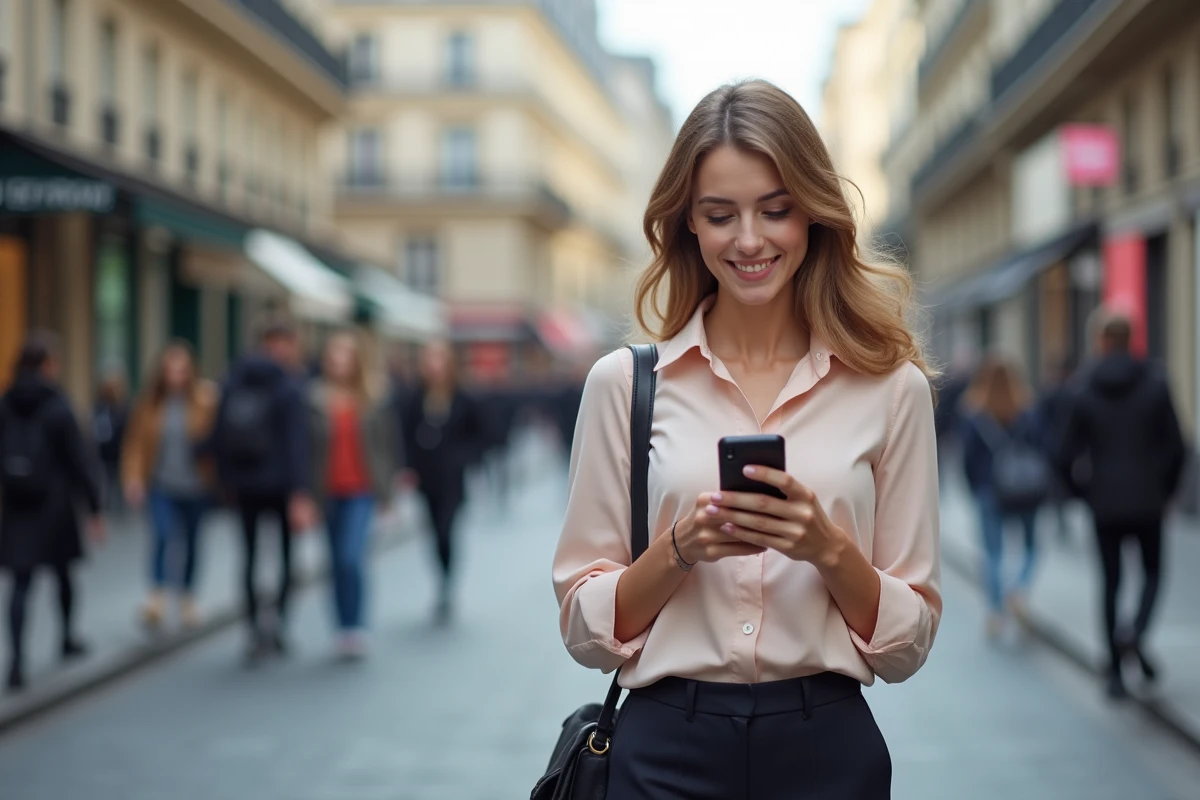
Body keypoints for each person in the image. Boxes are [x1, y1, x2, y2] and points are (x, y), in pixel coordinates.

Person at [552, 80, 940, 798]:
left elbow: (908, 640)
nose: (750, 239)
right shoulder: (623, 385)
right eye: (720, 214)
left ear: (814, 216)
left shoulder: (892, 389)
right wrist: (679, 549)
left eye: (776, 209)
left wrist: (825, 547)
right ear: (688, 224)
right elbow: (584, 625)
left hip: (827, 745)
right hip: (664, 744)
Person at [1056, 311, 1186, 699]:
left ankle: (1115, 672)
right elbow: (1178, 447)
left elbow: (1062, 455)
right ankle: (1135, 633)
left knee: (1111, 583)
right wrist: (1167, 491)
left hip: (1105, 503)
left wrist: (1083, 493)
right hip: (1148, 500)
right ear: (1131, 339)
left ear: (1100, 341)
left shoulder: (1084, 388)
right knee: (1152, 573)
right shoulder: (1156, 384)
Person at [0, 334, 105, 692]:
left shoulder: (6, 402)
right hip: (55, 506)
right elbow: (79, 460)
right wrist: (95, 507)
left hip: (17, 506)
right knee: (63, 575)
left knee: (20, 584)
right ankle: (66, 638)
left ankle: (16, 661)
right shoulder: (58, 405)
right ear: (47, 365)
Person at [210, 321, 313, 665]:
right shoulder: (289, 385)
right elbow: (297, 442)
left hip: (245, 484)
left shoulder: (234, 379)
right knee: (284, 558)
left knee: (249, 556)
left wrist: (225, 481)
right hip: (281, 485)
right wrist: (301, 490)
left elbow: (219, 436)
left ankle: (254, 628)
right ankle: (279, 625)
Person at [305, 332, 396, 659]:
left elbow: (387, 446)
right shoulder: (314, 399)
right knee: (334, 563)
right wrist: (303, 497)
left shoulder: (373, 397)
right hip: (326, 491)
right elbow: (306, 450)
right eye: (334, 357)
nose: (339, 363)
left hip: (361, 490)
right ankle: (342, 626)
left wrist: (389, 494)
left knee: (350, 557)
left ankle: (357, 625)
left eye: (345, 356)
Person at [122, 342, 218, 631]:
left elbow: (217, 439)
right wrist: (133, 479)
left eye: (181, 370)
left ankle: (187, 597)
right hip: (161, 484)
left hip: (197, 485)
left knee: (191, 542)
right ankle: (158, 597)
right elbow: (135, 445)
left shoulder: (205, 400)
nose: (175, 376)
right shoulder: (150, 403)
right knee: (163, 536)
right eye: (170, 370)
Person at [398, 341, 485, 625]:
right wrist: (408, 468)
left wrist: (463, 459)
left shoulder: (463, 398)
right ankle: (441, 578)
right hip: (427, 476)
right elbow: (405, 436)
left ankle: (448, 582)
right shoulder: (415, 398)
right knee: (434, 531)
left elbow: (479, 435)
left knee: (447, 529)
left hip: (453, 477)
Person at [959, 357, 1043, 639]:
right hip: (1024, 491)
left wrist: (974, 488)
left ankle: (995, 611)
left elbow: (967, 458)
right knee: (1031, 547)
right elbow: (1043, 448)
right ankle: (1017, 590)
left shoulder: (974, 413)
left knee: (992, 553)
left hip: (988, 490)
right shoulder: (1027, 410)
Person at [92, 370, 129, 516]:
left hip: (118, 447)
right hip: (105, 448)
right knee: (106, 476)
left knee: (117, 476)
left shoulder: (122, 407)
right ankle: (107, 503)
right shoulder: (100, 406)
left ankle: (119, 504)